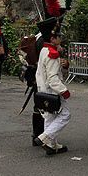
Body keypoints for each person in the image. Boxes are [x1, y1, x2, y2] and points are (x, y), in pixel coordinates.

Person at [34, 17, 70, 156]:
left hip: (43, 89)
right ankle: (45, 137)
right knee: (65, 115)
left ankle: (52, 145)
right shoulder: (52, 54)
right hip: (52, 91)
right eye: (58, 36)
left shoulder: (44, 50)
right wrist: (64, 91)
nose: (60, 39)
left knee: (49, 117)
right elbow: (53, 79)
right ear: (53, 38)